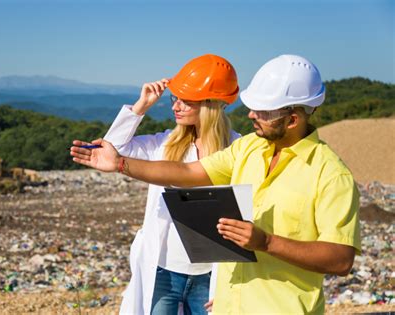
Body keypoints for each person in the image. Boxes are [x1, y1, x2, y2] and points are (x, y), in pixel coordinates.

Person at [71, 54, 361, 314]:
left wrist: (266, 242)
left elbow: (340, 260)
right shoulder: (248, 148)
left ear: (293, 119)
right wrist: (121, 164)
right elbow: (187, 173)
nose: (250, 115)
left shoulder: (331, 175)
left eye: (261, 111)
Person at [100, 54, 241, 315]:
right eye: (174, 98)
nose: (175, 106)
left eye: (186, 101)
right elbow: (112, 150)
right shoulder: (164, 145)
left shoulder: (240, 149)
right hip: (163, 270)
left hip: (212, 275)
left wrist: (232, 289)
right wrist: (141, 106)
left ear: (211, 104)